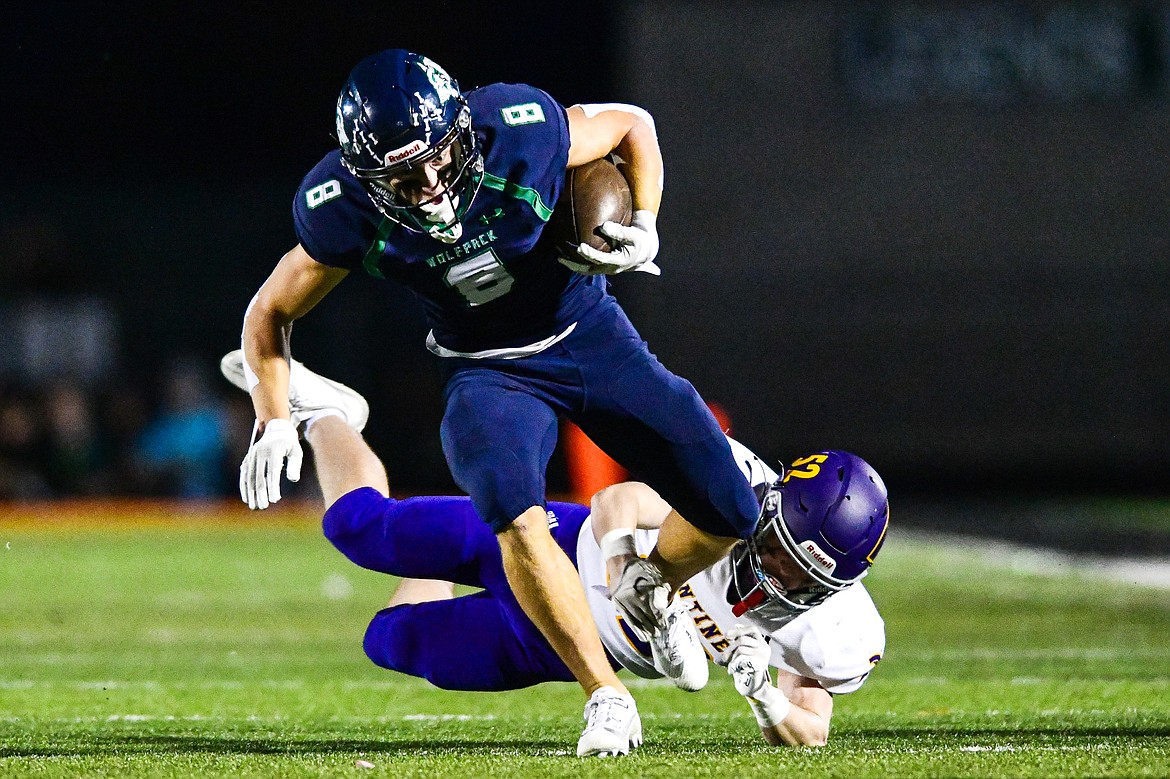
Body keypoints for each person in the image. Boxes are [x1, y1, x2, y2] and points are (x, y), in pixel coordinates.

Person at [235, 50, 762, 754]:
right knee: (511, 506)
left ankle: (649, 583)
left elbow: (633, 124)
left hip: (588, 333)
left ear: (461, 129)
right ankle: (606, 696)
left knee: (730, 506)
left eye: (434, 159)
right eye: (399, 175)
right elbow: (270, 310)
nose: (425, 185)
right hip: (487, 370)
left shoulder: (520, 129)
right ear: (365, 176)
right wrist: (271, 416)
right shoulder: (343, 208)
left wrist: (648, 217)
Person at [221, 351, 889, 751]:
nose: (774, 575)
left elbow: (813, 728)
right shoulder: (735, 487)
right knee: (360, 529)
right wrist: (639, 578)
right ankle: (326, 412)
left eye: (800, 577)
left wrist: (767, 700)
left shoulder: (838, 633)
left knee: (391, 640)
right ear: (769, 510)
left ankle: (422, 574)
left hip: (557, 646)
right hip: (553, 543)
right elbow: (617, 504)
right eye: (776, 550)